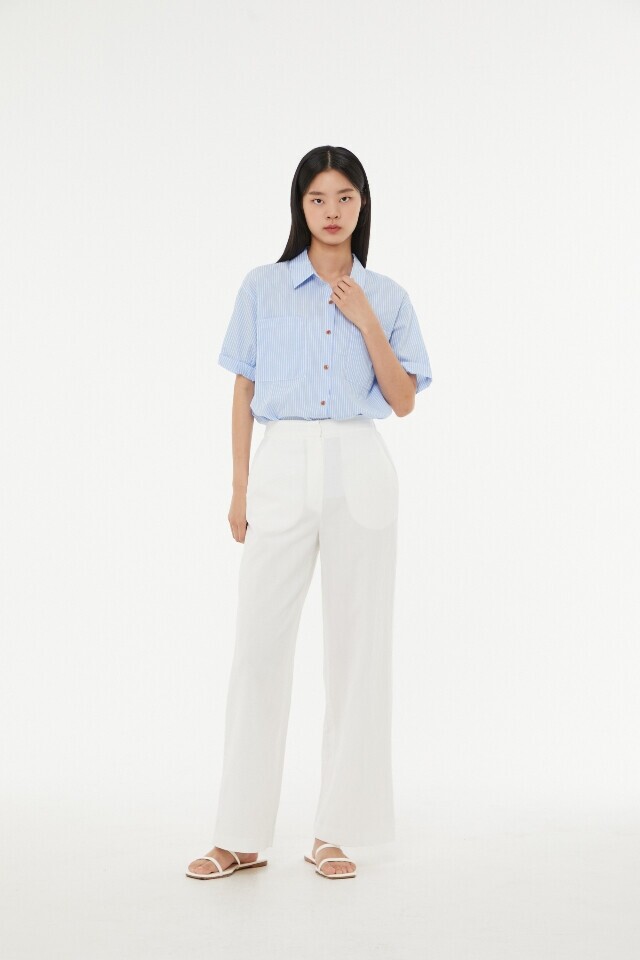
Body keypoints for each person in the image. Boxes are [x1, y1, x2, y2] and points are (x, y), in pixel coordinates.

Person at [186, 145, 432, 881]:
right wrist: (239, 488)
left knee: (358, 651)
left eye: (344, 197)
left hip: (360, 463)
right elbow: (243, 389)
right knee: (259, 647)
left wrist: (365, 321)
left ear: (363, 204)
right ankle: (238, 834)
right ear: (300, 205)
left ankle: (337, 832)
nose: (331, 211)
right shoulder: (263, 286)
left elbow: (403, 400)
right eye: (318, 198)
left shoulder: (387, 295)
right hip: (282, 462)